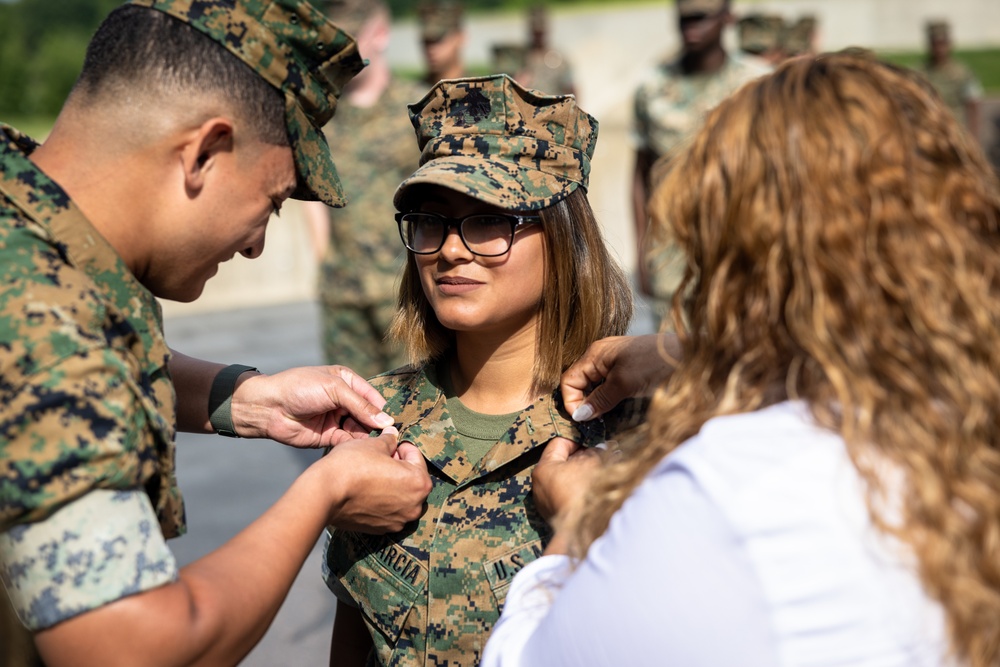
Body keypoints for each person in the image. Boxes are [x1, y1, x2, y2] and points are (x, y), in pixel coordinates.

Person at [482, 50, 1000, 666]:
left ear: (734, 253)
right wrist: (693, 355)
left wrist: (573, 529)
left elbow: (529, 657)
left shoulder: (725, 494)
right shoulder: (966, 410)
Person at [0, 2, 432, 665]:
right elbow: (137, 651)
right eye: (273, 200)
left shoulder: (26, 226)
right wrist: (324, 493)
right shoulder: (51, 330)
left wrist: (248, 397)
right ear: (204, 151)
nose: (259, 244)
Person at [322, 74, 646, 667]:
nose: (449, 249)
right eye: (430, 220)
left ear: (562, 235)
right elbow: (353, 640)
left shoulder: (634, 431)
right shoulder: (377, 423)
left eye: (490, 218)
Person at [631, 0, 768, 331]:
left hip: (742, 247)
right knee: (668, 362)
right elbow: (640, 175)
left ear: (726, 18)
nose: (690, 27)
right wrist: (641, 250)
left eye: (700, 18)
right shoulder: (652, 89)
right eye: (683, 19)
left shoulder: (759, 85)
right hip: (672, 254)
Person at [304, 0, 423, 378]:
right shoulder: (321, 114)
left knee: (415, 403)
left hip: (404, 290)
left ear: (381, 34)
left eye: (352, 39)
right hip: (344, 293)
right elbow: (313, 194)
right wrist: (325, 259)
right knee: (351, 404)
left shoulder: (415, 108)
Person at [920, 19, 982, 135]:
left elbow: (973, 104)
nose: (939, 49)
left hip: (956, 133)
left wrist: (973, 136)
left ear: (949, 44)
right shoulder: (920, 73)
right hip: (929, 132)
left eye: (942, 43)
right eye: (935, 44)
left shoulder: (962, 73)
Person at [517, 5, 577, 97]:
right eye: (535, 33)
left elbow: (571, 90)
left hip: (554, 109)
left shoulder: (559, 59)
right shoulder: (517, 56)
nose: (538, 37)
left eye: (541, 32)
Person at [418, 0, 466, 87]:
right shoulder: (413, 95)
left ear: (460, 37)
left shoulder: (480, 89)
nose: (430, 49)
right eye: (426, 41)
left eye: (438, 40)